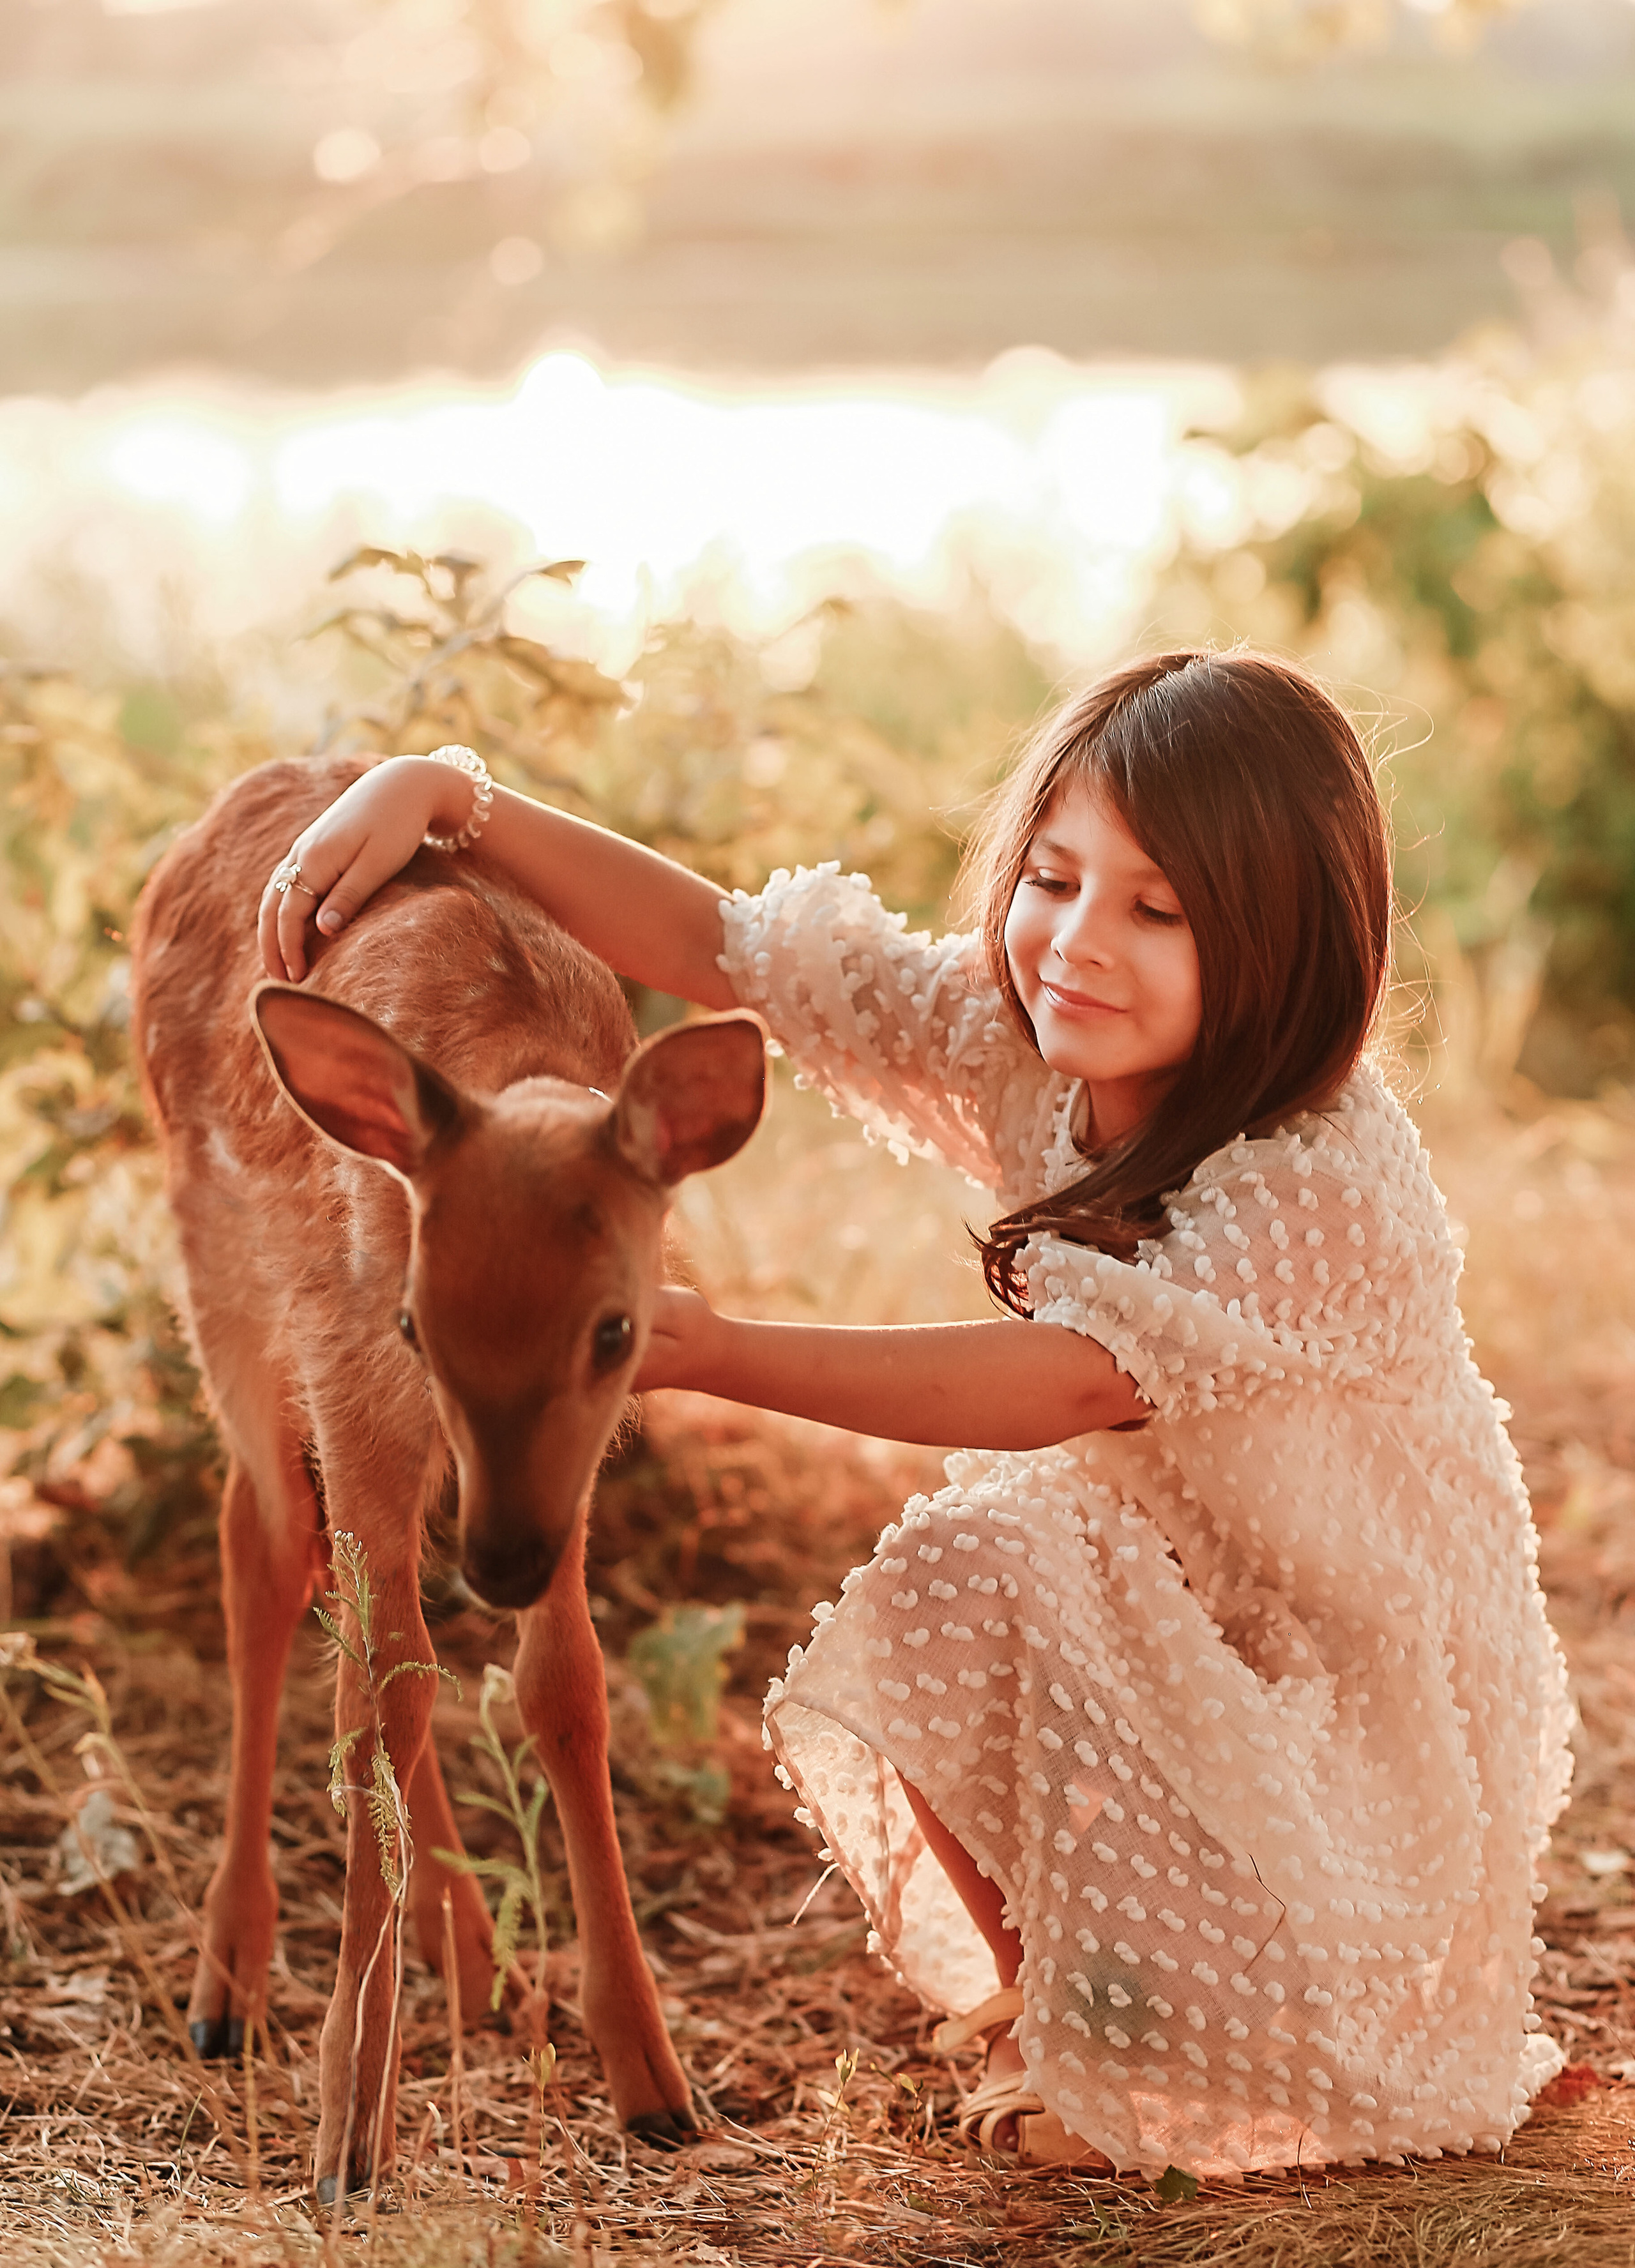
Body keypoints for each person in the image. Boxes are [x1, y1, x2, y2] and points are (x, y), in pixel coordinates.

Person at [259, 646, 1571, 2180]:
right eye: (1052, 878)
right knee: (965, 1567)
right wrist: (451, 799)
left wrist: (721, 1347)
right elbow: (718, 944)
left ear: (1285, 950)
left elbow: (1069, 1378)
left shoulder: (1323, 1174)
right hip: (1178, 1594)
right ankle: (1057, 2018)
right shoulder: (1016, 1038)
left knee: (1009, 1530)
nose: (1076, 944)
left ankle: (1228, 2025)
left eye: (1157, 911)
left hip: (1354, 1681)